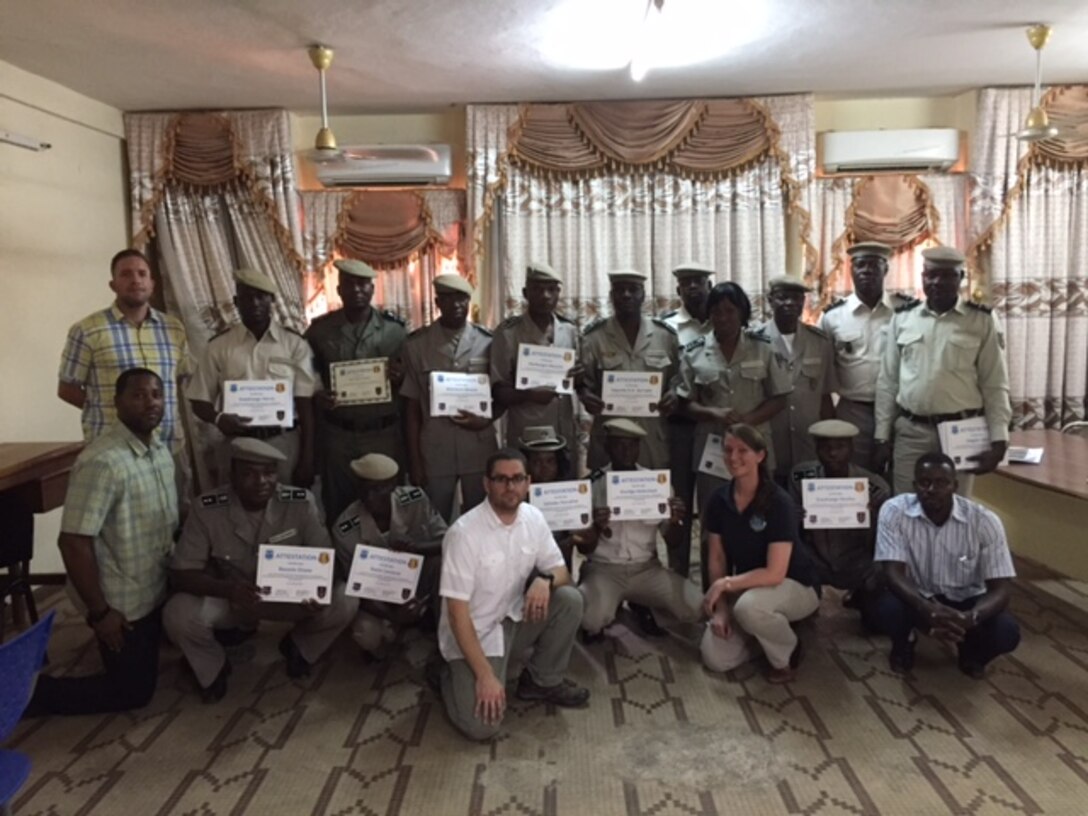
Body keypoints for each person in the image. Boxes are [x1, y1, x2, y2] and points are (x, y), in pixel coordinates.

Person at [28, 368, 177, 716]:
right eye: (138, 395)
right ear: (117, 403)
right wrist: (101, 614)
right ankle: (29, 693)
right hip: (122, 604)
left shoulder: (159, 450)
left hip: (155, 587)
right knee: (133, 692)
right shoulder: (103, 462)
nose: (150, 403)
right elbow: (73, 543)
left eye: (156, 394)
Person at [163, 438, 357, 702]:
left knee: (347, 598)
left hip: (292, 600)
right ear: (232, 475)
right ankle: (212, 667)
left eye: (269, 473)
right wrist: (229, 590)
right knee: (178, 613)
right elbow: (182, 573)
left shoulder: (300, 502)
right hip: (233, 600)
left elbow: (327, 558)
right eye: (249, 474)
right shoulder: (208, 509)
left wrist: (318, 592)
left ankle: (300, 647)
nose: (261, 481)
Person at [437, 448, 589, 741]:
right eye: (501, 479)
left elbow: (562, 572)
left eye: (517, 478)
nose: (510, 487)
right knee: (482, 727)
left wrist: (544, 580)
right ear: (486, 484)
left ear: (528, 482)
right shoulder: (464, 534)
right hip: (474, 633)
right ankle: (448, 675)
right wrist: (483, 676)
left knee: (570, 599)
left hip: (513, 619)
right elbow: (457, 616)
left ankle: (542, 681)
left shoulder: (533, 517)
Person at [675, 282, 791, 589]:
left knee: (761, 518)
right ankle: (713, 595)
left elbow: (780, 398)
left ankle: (755, 591)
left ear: (742, 313)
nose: (723, 317)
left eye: (730, 311)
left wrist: (748, 424)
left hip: (755, 449)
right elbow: (684, 402)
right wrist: (711, 414)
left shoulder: (764, 348)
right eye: (716, 311)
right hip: (714, 450)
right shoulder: (695, 352)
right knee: (714, 522)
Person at [868, 452, 1020, 677]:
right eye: (925, 482)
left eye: (941, 483)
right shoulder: (894, 511)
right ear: (914, 485)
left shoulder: (984, 521)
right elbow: (893, 573)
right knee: (885, 608)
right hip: (919, 597)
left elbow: (1002, 589)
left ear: (955, 486)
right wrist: (925, 607)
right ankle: (904, 642)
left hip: (967, 602)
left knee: (1007, 632)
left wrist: (971, 617)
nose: (931, 489)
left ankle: (972, 652)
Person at [874, 247, 1011, 495]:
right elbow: (888, 381)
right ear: (923, 277)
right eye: (931, 275)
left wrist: (999, 439)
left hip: (961, 434)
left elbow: (995, 383)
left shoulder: (981, 320)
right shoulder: (903, 318)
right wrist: (881, 436)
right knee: (906, 506)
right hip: (911, 433)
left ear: (961, 278)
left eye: (947, 275)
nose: (937, 282)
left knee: (957, 510)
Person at [700, 424, 820, 684]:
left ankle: (786, 655)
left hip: (795, 584)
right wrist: (721, 610)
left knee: (749, 607)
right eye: (728, 450)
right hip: (750, 588)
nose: (733, 458)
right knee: (715, 658)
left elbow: (775, 573)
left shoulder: (780, 502)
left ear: (761, 455)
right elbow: (717, 559)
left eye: (743, 450)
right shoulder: (718, 500)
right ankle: (766, 635)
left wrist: (724, 585)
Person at [187, 267, 317, 489]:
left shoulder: (294, 344)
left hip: (284, 442)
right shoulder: (218, 347)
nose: (255, 303)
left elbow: (306, 404)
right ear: (237, 302)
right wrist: (219, 419)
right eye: (247, 297)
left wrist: (307, 457)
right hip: (236, 444)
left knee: (286, 508)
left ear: (272, 300)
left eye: (261, 297)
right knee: (236, 510)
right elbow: (198, 399)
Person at [575, 419, 701, 641]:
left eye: (632, 445)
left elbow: (674, 541)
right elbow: (585, 548)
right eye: (619, 445)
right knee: (590, 621)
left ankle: (643, 604)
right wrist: (595, 526)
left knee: (697, 608)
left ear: (639, 448)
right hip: (605, 569)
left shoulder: (656, 484)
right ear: (607, 447)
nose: (626, 451)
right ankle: (604, 597)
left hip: (647, 569)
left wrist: (674, 522)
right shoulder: (591, 486)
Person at [305, 259, 408, 524]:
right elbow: (309, 376)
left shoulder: (395, 331)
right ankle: (343, 561)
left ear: (373, 289)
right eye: (350, 284)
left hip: (382, 433)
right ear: (339, 290)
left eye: (363, 285)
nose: (357, 290)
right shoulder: (319, 331)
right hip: (338, 435)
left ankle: (383, 563)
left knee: (385, 507)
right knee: (338, 505)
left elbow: (410, 381)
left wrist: (400, 378)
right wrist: (318, 395)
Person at [58, 249, 191, 454]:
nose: (135, 280)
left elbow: (180, 380)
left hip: (167, 445)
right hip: (113, 450)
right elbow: (67, 389)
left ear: (152, 283)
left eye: (142, 273)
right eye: (126, 274)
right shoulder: (87, 330)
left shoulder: (174, 329)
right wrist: (109, 408)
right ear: (113, 285)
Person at [401, 274, 498, 522]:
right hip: (435, 450)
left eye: (461, 299)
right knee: (434, 522)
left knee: (482, 521)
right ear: (437, 302)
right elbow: (411, 407)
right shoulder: (417, 345)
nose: (456, 305)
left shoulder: (488, 342)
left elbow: (500, 392)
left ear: (468, 302)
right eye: (448, 299)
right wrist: (415, 461)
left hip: (478, 446)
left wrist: (487, 420)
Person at [331, 453, 446, 661]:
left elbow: (448, 541)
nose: (370, 498)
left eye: (378, 489)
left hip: (418, 584)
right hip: (377, 595)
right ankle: (400, 627)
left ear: (393, 485)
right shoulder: (345, 527)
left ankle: (442, 637)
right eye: (364, 490)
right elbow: (354, 587)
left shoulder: (415, 500)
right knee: (366, 635)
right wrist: (393, 614)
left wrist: (417, 547)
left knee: (441, 565)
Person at [819, 242, 916, 469]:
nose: (866, 271)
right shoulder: (833, 318)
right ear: (851, 271)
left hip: (899, 410)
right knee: (855, 477)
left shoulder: (906, 312)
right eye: (860, 265)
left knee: (899, 476)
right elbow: (824, 372)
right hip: (852, 412)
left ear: (886, 269)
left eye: (874, 265)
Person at [580, 270, 679, 471]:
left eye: (633, 290)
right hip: (609, 439)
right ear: (611, 295)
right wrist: (586, 396)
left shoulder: (665, 335)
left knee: (652, 496)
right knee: (605, 497)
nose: (626, 295)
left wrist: (674, 394)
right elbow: (584, 384)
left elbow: (678, 378)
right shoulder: (593, 338)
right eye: (619, 290)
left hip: (651, 437)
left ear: (643, 295)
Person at [788, 419, 890, 613]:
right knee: (791, 558)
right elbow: (793, 531)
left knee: (878, 612)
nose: (833, 453)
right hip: (815, 558)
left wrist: (874, 516)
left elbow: (883, 541)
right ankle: (807, 600)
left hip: (857, 561)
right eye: (825, 447)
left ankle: (863, 597)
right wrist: (794, 516)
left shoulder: (876, 487)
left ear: (852, 448)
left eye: (840, 447)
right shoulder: (800, 476)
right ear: (816, 448)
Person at [491, 261, 581, 462]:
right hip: (527, 434)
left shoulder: (569, 332)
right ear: (525, 292)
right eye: (538, 289)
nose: (545, 296)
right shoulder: (508, 334)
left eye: (551, 289)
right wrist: (529, 394)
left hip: (564, 432)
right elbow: (498, 391)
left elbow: (578, 384)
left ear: (559, 293)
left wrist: (580, 378)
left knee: (564, 491)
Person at [659, 262, 714, 577]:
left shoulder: (725, 321)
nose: (693, 288)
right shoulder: (667, 328)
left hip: (712, 429)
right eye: (687, 283)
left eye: (699, 282)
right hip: (678, 428)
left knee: (711, 505)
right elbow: (661, 375)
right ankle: (677, 573)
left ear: (709, 286)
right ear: (678, 290)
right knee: (677, 503)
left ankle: (712, 574)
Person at [758, 275, 836, 484]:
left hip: (808, 441)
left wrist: (829, 441)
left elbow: (825, 396)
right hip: (770, 441)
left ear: (803, 302)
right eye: (783, 297)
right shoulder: (754, 340)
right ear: (770, 300)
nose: (790, 303)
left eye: (796, 298)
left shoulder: (819, 341)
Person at [517, 425, 577, 568]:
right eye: (537, 462)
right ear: (525, 464)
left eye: (550, 461)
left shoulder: (570, 497)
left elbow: (582, 549)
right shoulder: (514, 497)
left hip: (558, 571)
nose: (544, 468)